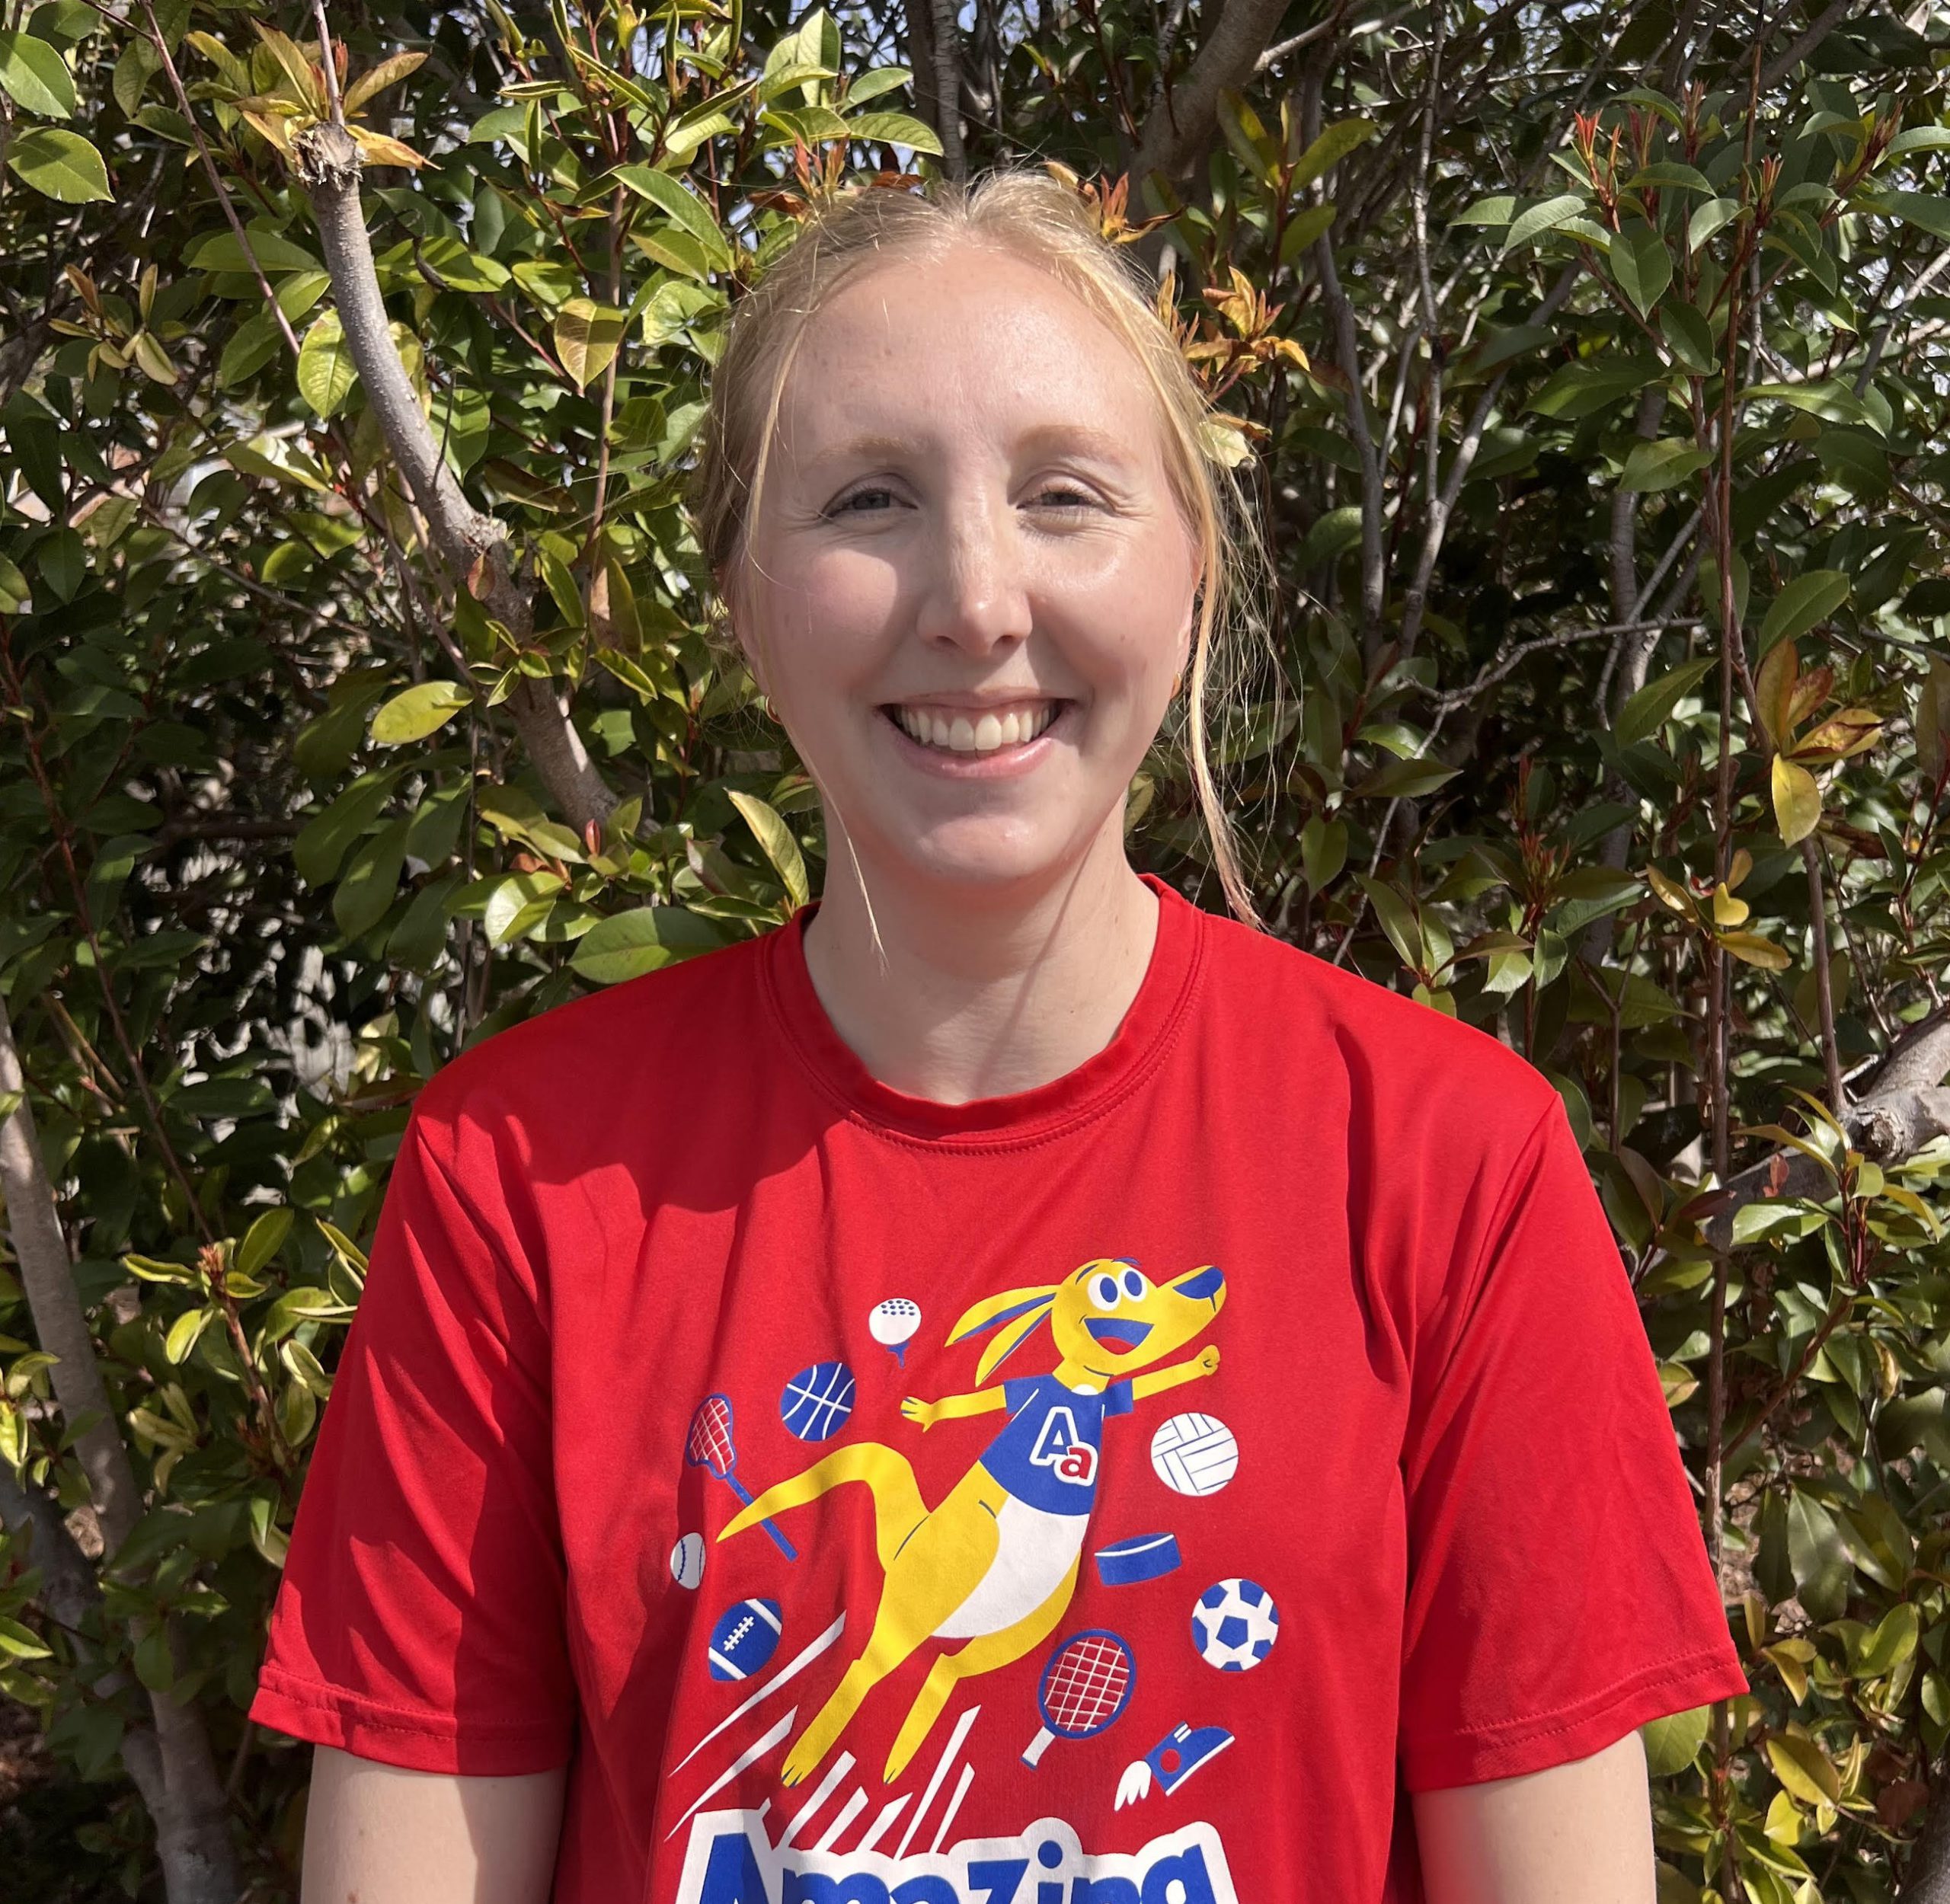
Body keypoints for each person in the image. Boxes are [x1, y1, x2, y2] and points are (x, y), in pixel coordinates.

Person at [251, 169, 1747, 1904]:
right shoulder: (521, 1177)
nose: (974, 599)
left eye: (1064, 497)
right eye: (868, 499)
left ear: (1191, 569)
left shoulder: (1445, 1164)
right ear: (742, 592)